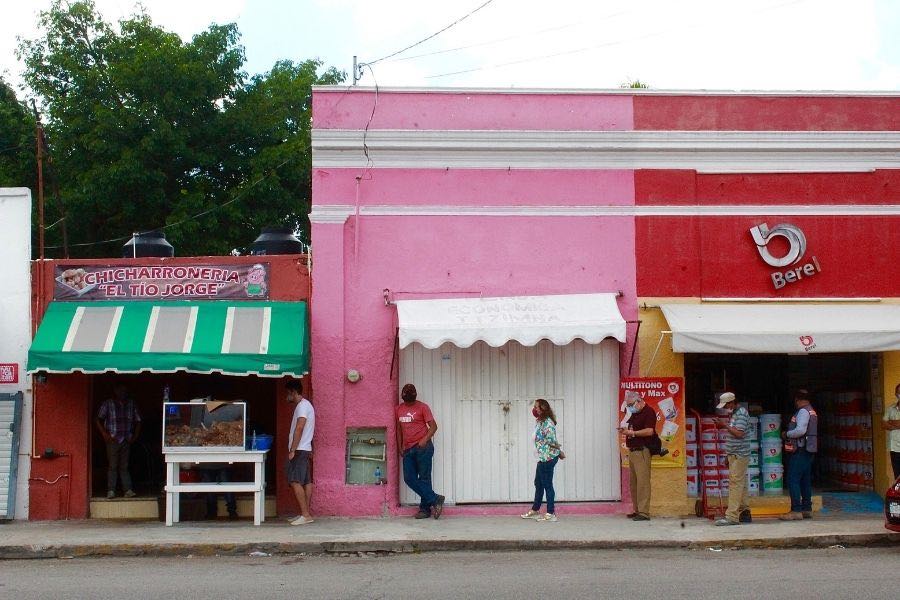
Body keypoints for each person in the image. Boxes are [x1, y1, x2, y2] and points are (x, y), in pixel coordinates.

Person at [396, 383, 445, 519]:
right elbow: (399, 429)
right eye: (406, 392)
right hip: (407, 449)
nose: (408, 393)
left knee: (424, 479)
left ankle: (425, 510)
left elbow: (433, 427)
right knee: (409, 478)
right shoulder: (399, 409)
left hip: (423, 448)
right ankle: (435, 499)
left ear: (415, 394)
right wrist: (400, 446)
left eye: (411, 391)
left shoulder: (423, 407)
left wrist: (424, 440)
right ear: (402, 395)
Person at [521, 399, 565, 522]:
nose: (534, 409)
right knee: (538, 484)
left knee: (547, 485)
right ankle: (535, 510)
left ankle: (551, 513)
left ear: (543, 408)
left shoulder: (548, 423)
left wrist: (558, 451)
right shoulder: (540, 421)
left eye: (536, 407)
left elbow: (551, 440)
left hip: (547, 458)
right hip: (541, 457)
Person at [197, 398, 241, 520]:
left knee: (212, 483)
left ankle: (216, 512)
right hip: (215, 457)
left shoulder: (203, 411)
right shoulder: (203, 410)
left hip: (214, 457)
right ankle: (230, 511)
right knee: (222, 483)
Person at [95, 383, 141, 499]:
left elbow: (138, 420)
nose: (122, 392)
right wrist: (104, 434)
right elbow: (97, 419)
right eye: (120, 390)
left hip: (126, 439)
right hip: (113, 439)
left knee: (124, 466)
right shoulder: (108, 403)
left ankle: (128, 490)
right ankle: (111, 491)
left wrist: (135, 435)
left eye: (124, 390)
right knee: (113, 466)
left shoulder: (131, 404)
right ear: (115, 391)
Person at [714, 392, 752, 526]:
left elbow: (739, 434)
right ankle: (744, 511)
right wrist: (727, 454)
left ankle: (732, 516)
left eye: (726, 405)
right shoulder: (735, 414)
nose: (725, 408)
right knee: (741, 484)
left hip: (739, 454)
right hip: (735, 454)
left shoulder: (741, 414)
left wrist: (724, 425)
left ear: (732, 403)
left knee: (735, 485)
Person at [780, 389, 818, 521]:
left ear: (797, 399)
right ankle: (806, 509)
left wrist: (787, 434)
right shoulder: (811, 410)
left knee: (793, 479)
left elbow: (800, 430)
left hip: (801, 450)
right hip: (808, 449)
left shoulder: (803, 411)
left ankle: (796, 510)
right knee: (805, 480)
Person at [620, 390, 656, 521]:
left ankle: (644, 512)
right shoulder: (635, 414)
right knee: (634, 483)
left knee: (643, 483)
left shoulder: (649, 412)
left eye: (631, 404)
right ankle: (637, 509)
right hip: (633, 451)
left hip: (642, 451)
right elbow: (631, 428)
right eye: (628, 405)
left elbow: (649, 431)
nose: (629, 407)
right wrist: (624, 430)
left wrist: (632, 433)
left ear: (639, 401)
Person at [286, 379, 315, 525]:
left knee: (295, 481)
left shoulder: (302, 407)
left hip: (299, 449)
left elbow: (300, 427)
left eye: (288, 394)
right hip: (305, 448)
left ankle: (305, 514)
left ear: (293, 392)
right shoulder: (306, 405)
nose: (287, 397)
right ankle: (306, 513)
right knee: (306, 481)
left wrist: (292, 449)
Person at [882, 383, 900, 480]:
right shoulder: (890, 409)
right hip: (894, 449)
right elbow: (883, 424)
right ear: (896, 394)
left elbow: (888, 423)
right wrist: (896, 424)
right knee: (897, 476)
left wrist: (891, 422)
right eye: (899, 392)